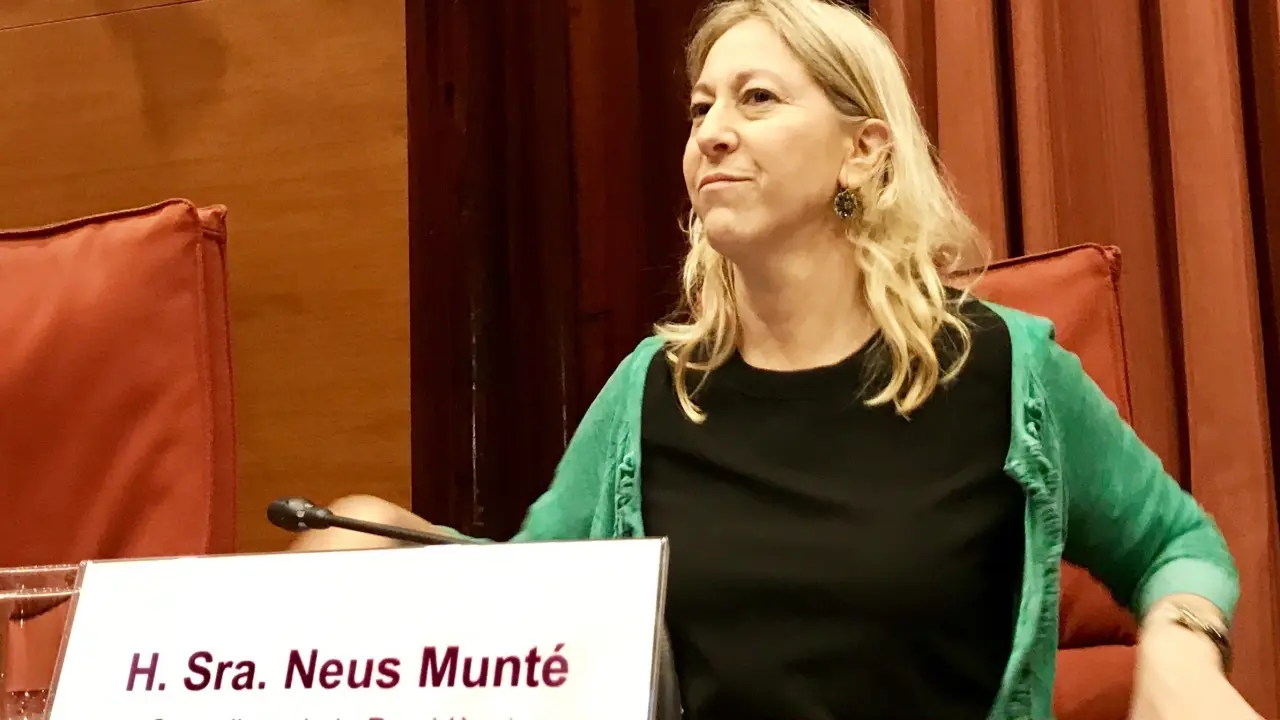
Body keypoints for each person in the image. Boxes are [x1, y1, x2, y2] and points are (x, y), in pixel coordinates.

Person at [292, 1, 1263, 718]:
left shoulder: (1008, 373)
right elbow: (539, 599)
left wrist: (1180, 648)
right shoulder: (652, 390)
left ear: (863, 151)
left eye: (755, 99)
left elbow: (1176, 546)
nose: (710, 132)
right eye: (700, 108)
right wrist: (393, 543)